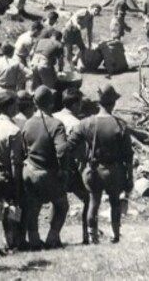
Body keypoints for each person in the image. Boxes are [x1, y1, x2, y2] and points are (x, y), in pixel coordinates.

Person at [68, 85, 133, 243]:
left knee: (93, 202)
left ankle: (93, 236)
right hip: (114, 170)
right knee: (115, 202)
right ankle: (115, 235)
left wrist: (80, 162)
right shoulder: (120, 125)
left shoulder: (86, 123)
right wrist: (129, 176)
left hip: (93, 170)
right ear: (113, 103)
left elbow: (70, 145)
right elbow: (128, 155)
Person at [20, 86, 69, 250]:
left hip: (30, 171)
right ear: (51, 102)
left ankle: (34, 240)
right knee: (62, 205)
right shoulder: (56, 124)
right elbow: (62, 150)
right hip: (49, 172)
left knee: (33, 208)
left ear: (34, 102)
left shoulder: (27, 124)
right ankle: (52, 238)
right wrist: (63, 169)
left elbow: (23, 149)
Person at [0, 91, 24, 251]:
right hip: (5, 172)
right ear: (10, 106)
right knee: (10, 209)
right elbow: (15, 160)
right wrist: (18, 184)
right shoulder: (14, 130)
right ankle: (10, 242)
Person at [53, 88, 90, 244]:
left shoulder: (54, 116)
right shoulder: (77, 123)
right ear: (75, 104)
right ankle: (86, 235)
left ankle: (54, 235)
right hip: (71, 167)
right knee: (88, 199)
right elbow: (81, 150)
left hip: (53, 165)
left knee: (57, 201)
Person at [62, 4, 101, 71]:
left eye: (98, 12)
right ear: (91, 8)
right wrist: (76, 24)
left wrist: (89, 44)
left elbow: (89, 33)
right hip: (69, 29)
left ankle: (75, 60)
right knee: (69, 49)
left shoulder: (90, 19)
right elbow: (74, 17)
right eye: (96, 10)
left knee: (82, 48)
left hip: (76, 32)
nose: (96, 13)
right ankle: (70, 67)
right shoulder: (85, 12)